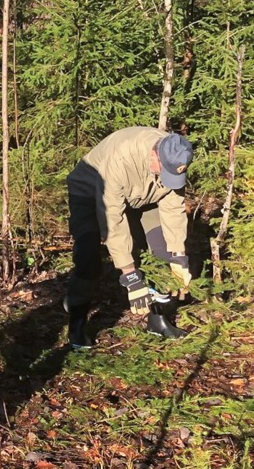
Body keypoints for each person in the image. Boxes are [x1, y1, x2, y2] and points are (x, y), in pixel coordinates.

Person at [65, 126, 194, 349]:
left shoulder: (176, 157)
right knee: (88, 259)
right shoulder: (121, 159)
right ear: (154, 155)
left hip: (142, 198)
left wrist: (178, 256)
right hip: (89, 192)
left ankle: (157, 320)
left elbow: (173, 210)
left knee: (163, 254)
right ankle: (76, 321)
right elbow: (113, 221)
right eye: (166, 173)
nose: (170, 179)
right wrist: (130, 275)